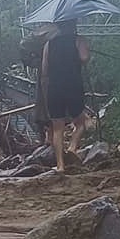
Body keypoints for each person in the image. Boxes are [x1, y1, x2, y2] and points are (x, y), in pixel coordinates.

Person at [41, 19, 92, 173]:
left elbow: (44, 69)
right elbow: (84, 58)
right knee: (81, 122)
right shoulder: (78, 40)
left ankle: (60, 165)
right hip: (73, 86)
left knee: (57, 128)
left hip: (54, 88)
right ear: (74, 25)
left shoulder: (49, 44)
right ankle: (72, 147)